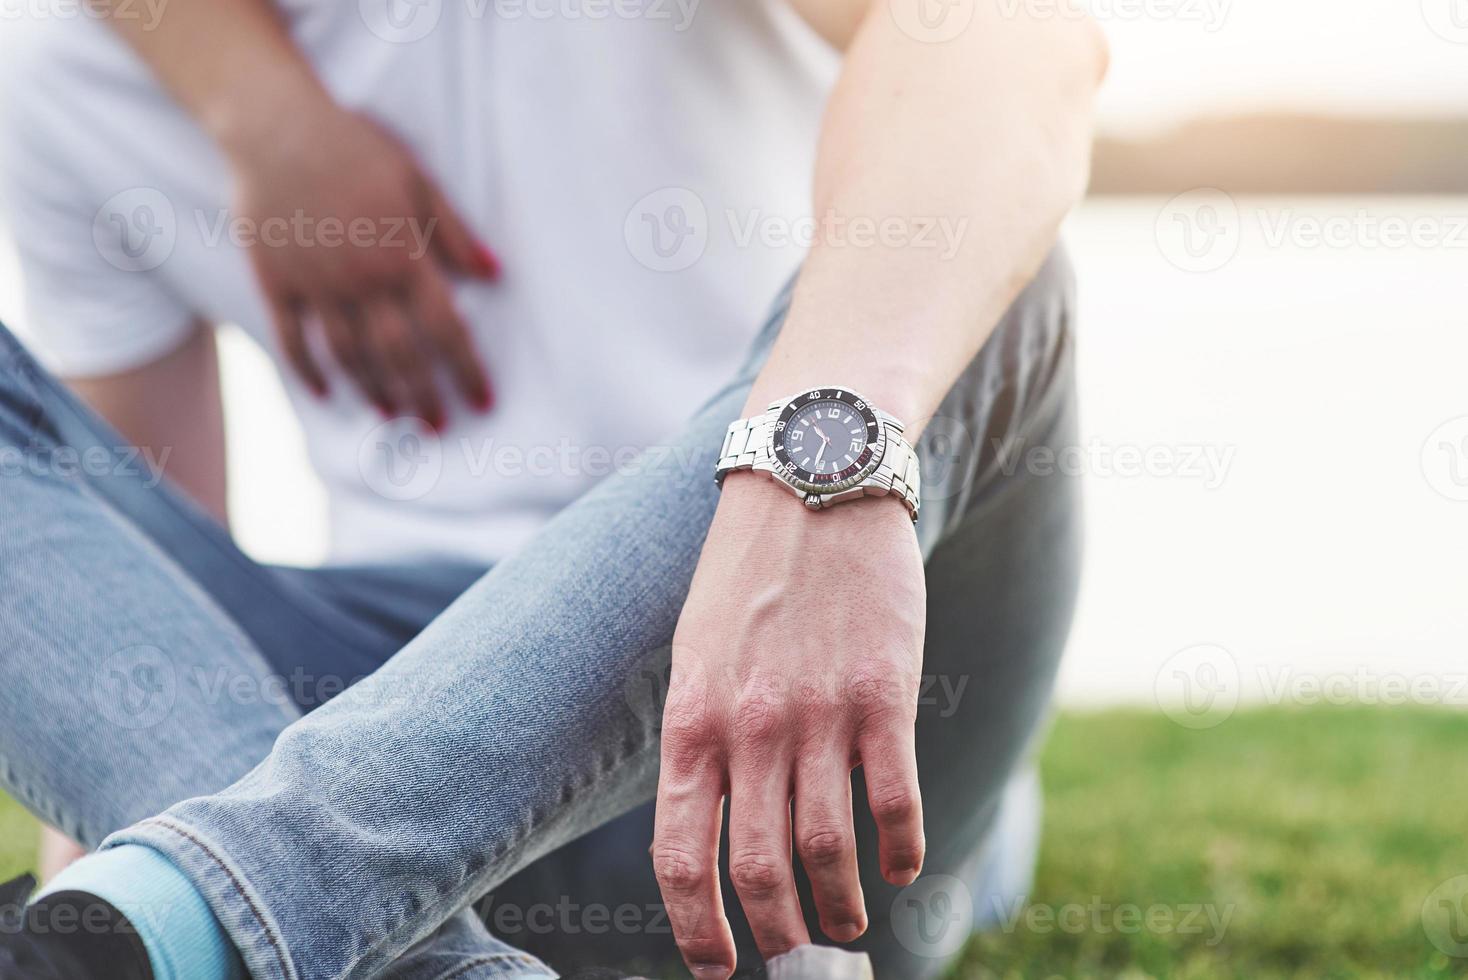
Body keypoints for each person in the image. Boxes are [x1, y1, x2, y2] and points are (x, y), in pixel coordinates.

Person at [0, 0, 1107, 976]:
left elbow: (1016, 37)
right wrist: (263, 121)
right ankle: (277, 924)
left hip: (815, 750)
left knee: (964, 277)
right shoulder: (78, 76)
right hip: (397, 748)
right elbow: (127, 621)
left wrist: (802, 469)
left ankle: (182, 913)